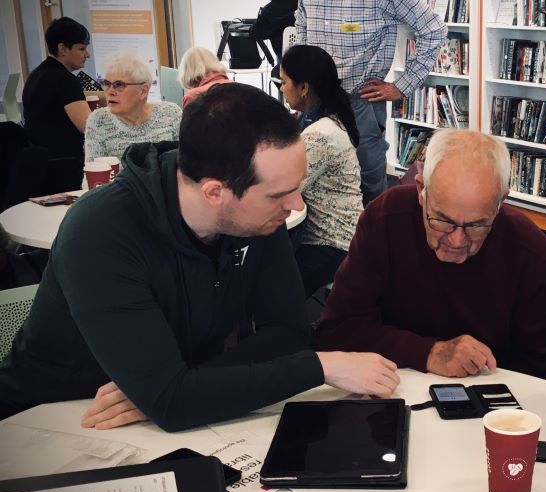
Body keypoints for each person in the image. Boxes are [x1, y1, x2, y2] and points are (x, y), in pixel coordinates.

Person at [0, 83, 399, 432]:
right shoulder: (101, 231)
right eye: (279, 194)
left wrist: (181, 388)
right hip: (51, 419)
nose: (295, 205)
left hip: (161, 414)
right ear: (214, 192)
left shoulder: (257, 218)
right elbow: (174, 403)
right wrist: (321, 367)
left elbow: (290, 334)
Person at [316, 129, 546, 379]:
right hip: (392, 385)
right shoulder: (385, 219)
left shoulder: (536, 255)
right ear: (420, 190)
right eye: (441, 220)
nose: (457, 239)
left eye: (476, 225)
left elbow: (540, 370)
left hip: (491, 403)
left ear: (500, 202)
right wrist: (428, 353)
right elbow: (337, 331)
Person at [295, 0, 447, 203]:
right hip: (315, 99)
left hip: (359, 100)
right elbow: (301, 23)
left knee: (368, 183)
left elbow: (434, 29)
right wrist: (303, 72)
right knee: (311, 179)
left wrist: (401, 86)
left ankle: (374, 233)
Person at [279, 45, 363, 297]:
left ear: (303, 88)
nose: (281, 89)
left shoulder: (319, 135)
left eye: (284, 82)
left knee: (271, 284)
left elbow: (284, 187)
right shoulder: (329, 119)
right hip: (343, 238)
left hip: (333, 245)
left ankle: (284, 331)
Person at [21, 17, 92, 192]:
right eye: (82, 48)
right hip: (63, 167)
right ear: (62, 48)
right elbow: (87, 126)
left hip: (39, 162)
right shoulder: (65, 80)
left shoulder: (38, 74)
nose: (87, 54)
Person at [84, 52, 181, 163]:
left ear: (143, 91)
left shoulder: (171, 113)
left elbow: (190, 162)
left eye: (119, 85)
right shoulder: (98, 120)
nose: (110, 91)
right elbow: (93, 174)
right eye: (106, 83)